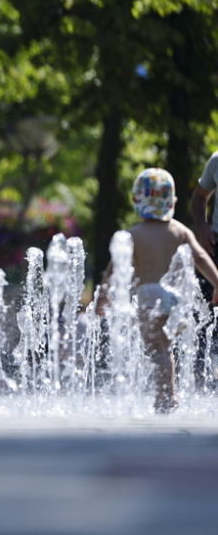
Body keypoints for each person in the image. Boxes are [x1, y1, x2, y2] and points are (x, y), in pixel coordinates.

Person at [97, 168, 218, 413]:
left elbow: (113, 269)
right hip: (174, 297)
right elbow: (201, 257)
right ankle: (165, 394)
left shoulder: (132, 234)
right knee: (165, 348)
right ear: (172, 202)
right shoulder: (180, 231)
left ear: (135, 201)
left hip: (149, 296)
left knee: (157, 350)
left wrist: (102, 296)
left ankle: (167, 396)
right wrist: (217, 282)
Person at [190, 152, 218, 391]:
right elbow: (199, 198)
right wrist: (203, 227)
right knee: (206, 318)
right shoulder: (217, 160)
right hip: (215, 246)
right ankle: (200, 385)